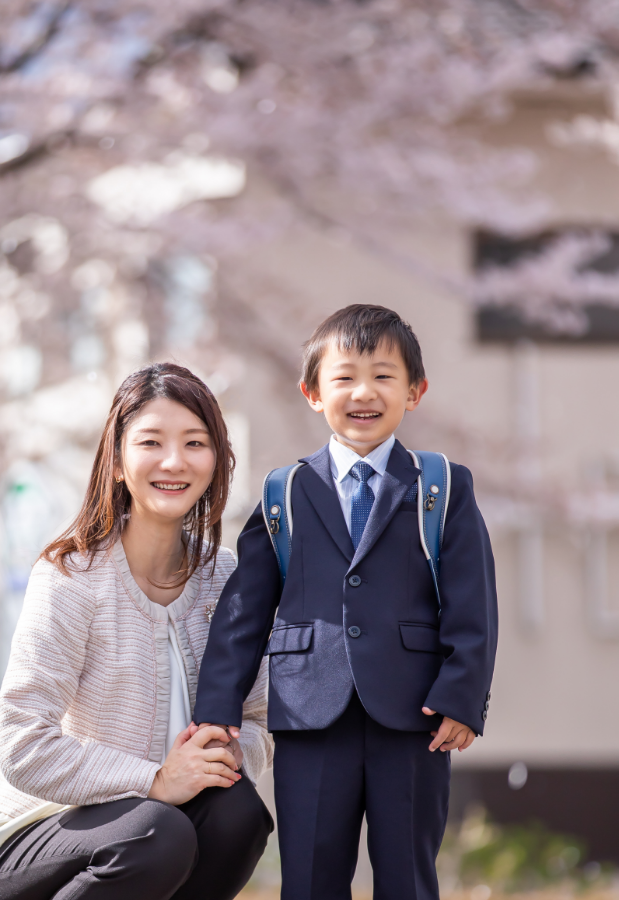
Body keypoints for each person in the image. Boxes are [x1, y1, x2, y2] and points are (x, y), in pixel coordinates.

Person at [194, 305, 498, 900]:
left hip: (416, 718)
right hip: (310, 715)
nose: (364, 392)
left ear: (415, 391)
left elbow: (473, 601)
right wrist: (217, 707)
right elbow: (243, 611)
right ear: (312, 392)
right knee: (309, 876)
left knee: (408, 875)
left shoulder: (442, 486)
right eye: (344, 377)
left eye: (384, 376)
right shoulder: (284, 491)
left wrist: (462, 695)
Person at [0, 362, 274, 900]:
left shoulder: (224, 579)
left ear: (216, 460)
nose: (174, 461)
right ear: (117, 461)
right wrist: (155, 781)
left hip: (146, 829)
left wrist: (227, 756)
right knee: (156, 833)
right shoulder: (71, 577)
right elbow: (23, 743)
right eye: (151, 442)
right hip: (13, 844)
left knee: (238, 815)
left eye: (195, 442)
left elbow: (257, 717)